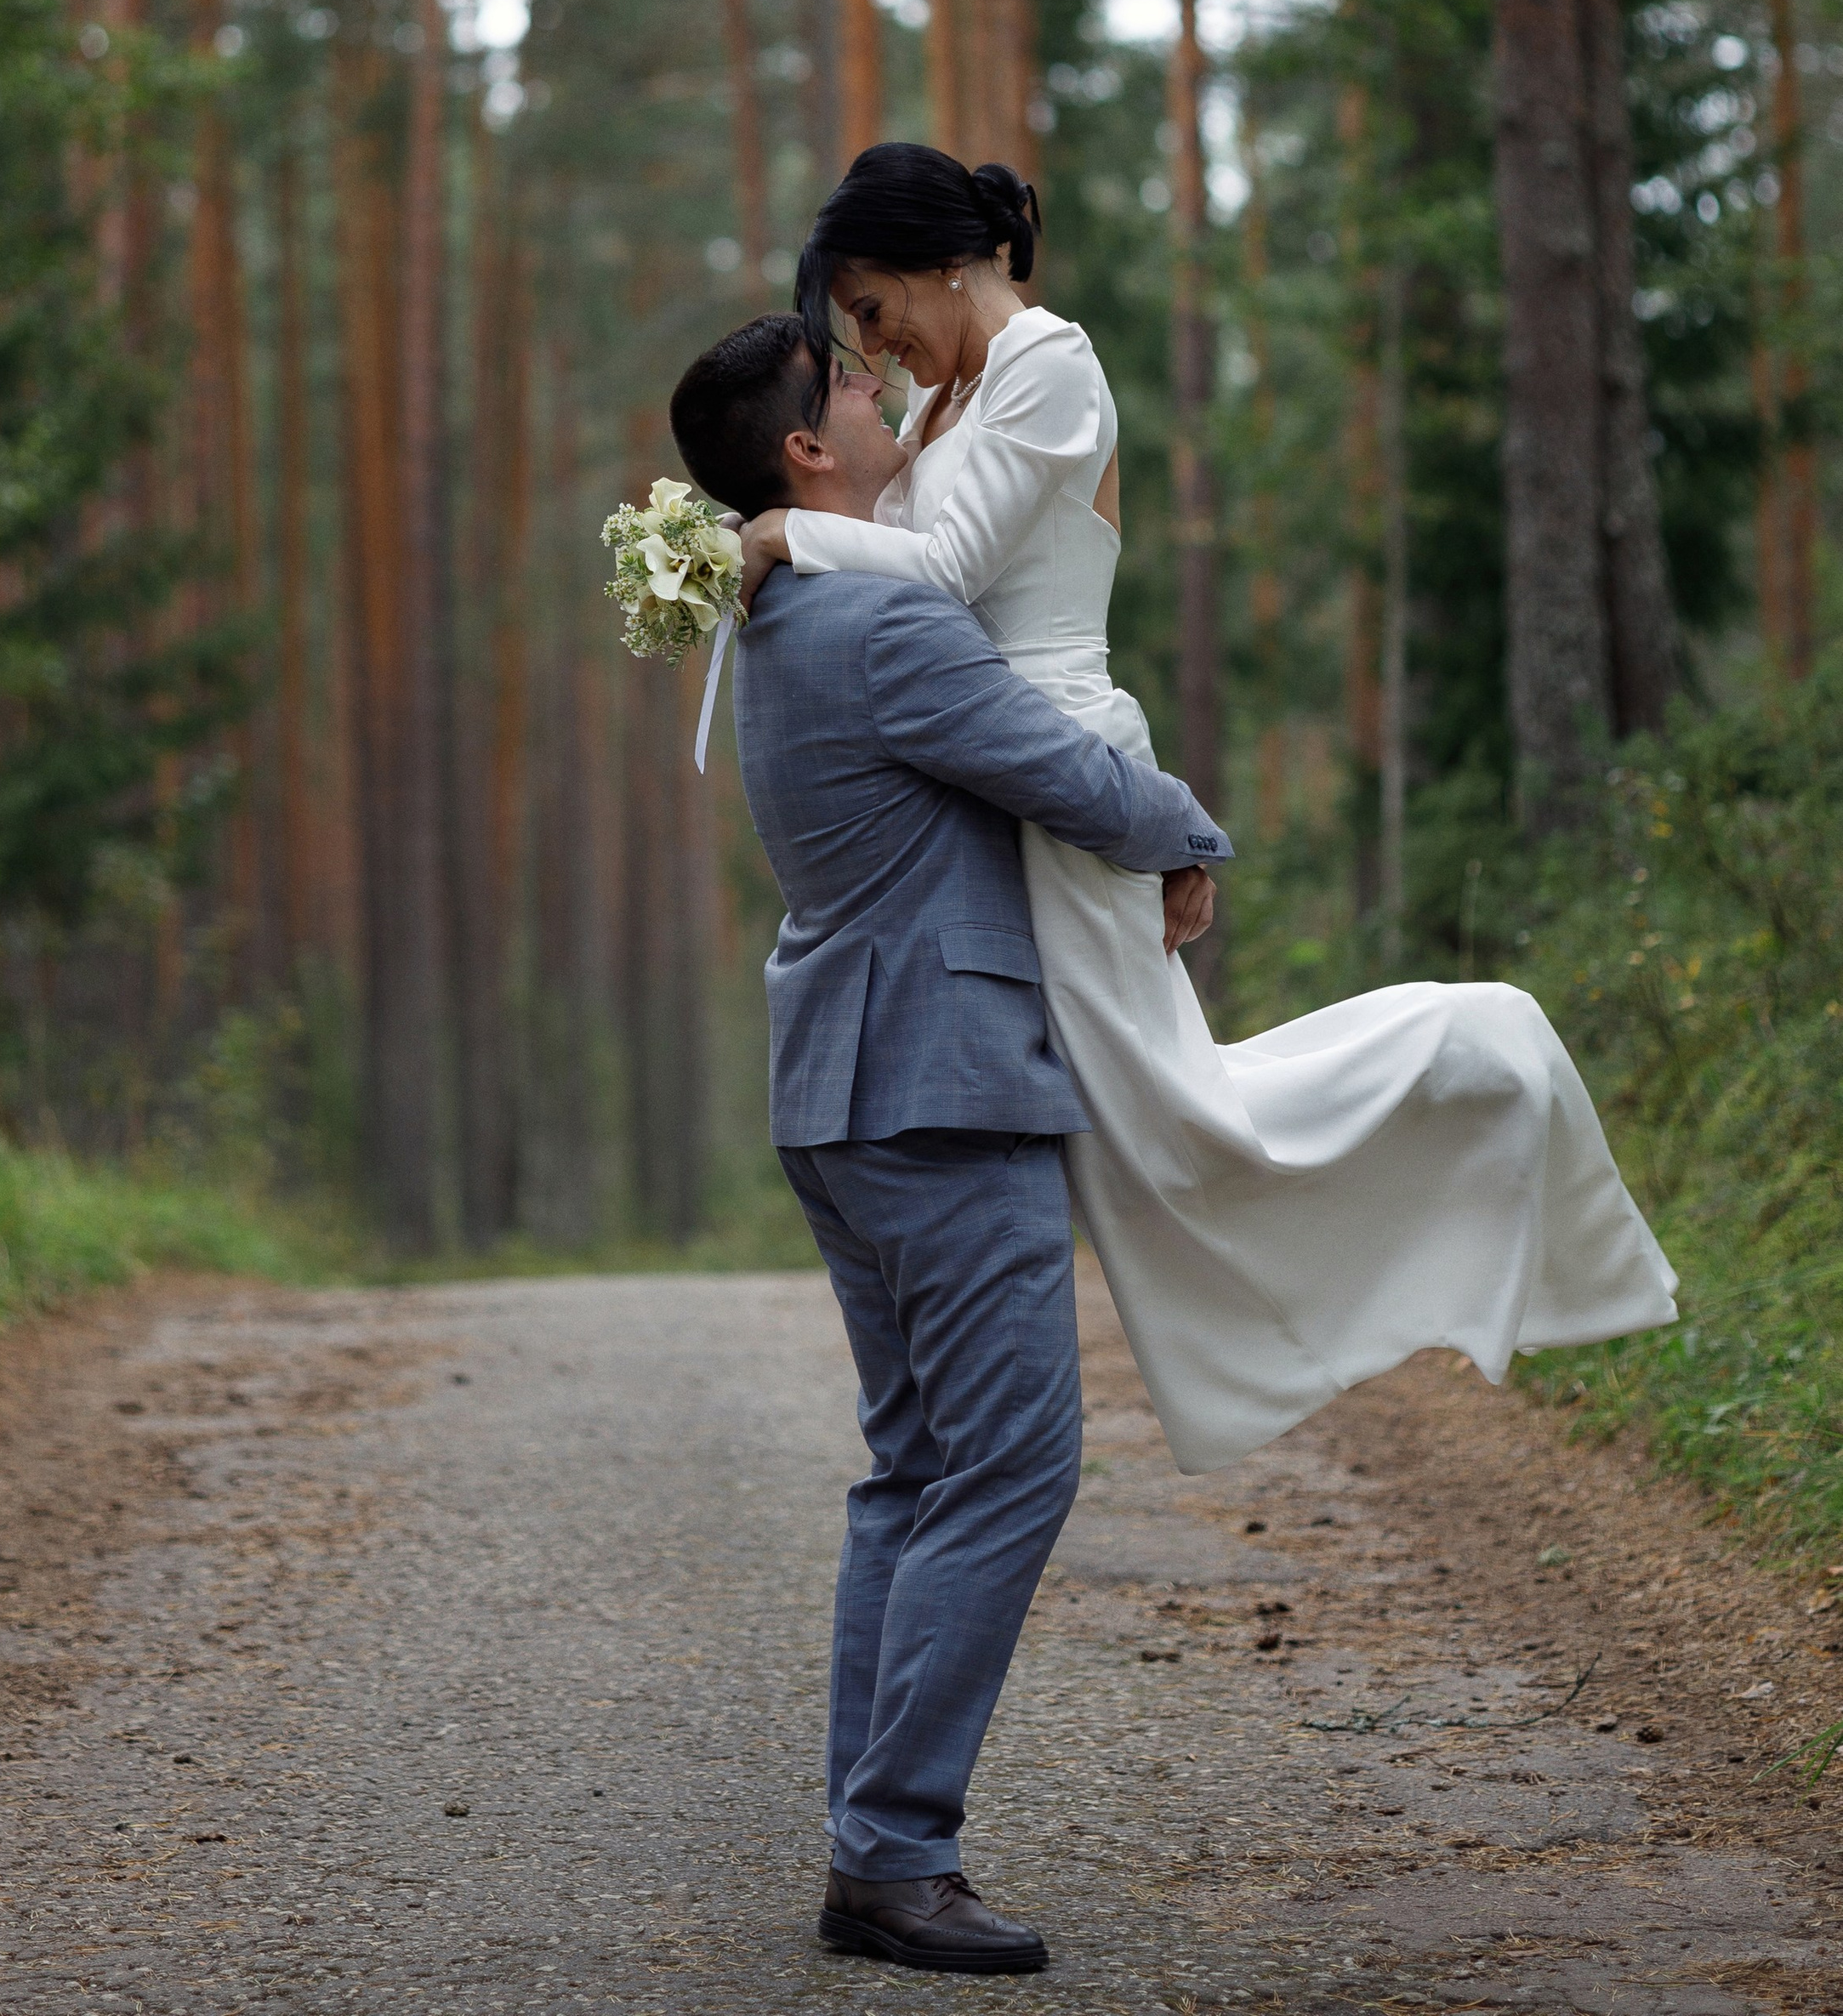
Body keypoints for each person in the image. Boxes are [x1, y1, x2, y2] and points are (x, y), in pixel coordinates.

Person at [733, 140, 1679, 1479]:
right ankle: (1291, 1313)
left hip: (1061, 757)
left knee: (1176, 1127)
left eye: (876, 311)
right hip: (998, 773)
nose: (875, 352)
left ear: (948, 263)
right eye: (856, 337)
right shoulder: (953, 402)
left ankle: (1489, 1053)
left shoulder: (1051, 363)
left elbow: (940, 574)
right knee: (1146, 1135)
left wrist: (782, 531)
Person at [668, 312, 1232, 1975]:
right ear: (803, 453)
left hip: (846, 1086)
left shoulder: (785, 608)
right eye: (853, 385)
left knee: (914, 1471)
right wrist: (1192, 827)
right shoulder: (870, 618)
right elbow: (1057, 771)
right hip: (937, 1089)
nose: (888, 390)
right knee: (1004, 1467)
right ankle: (894, 1853)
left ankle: (874, 1844)